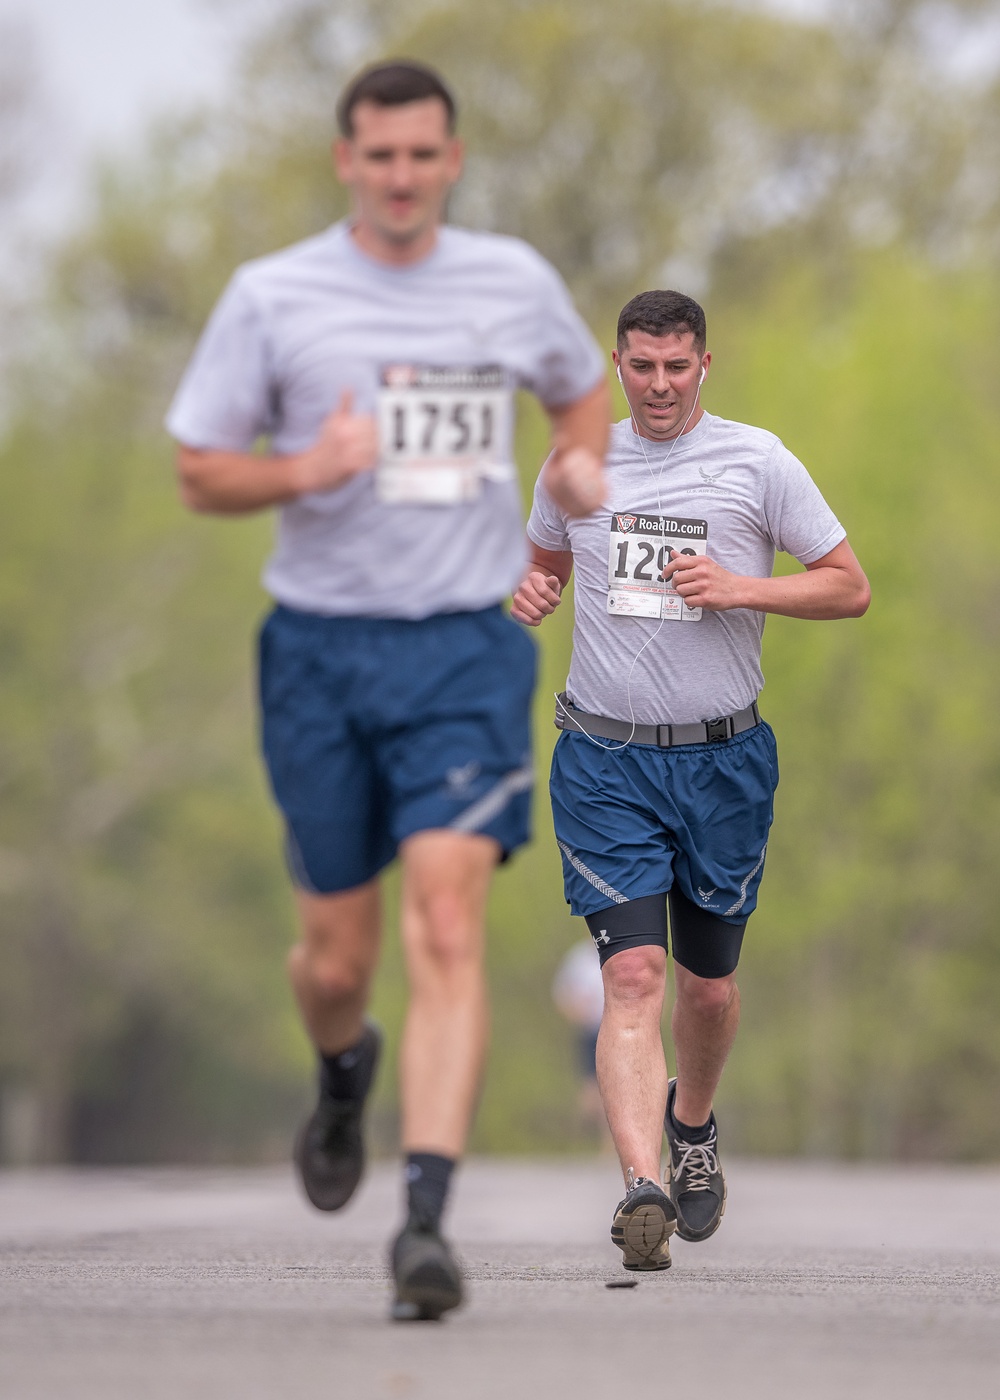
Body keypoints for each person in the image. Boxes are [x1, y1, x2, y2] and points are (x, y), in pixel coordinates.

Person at [165, 59, 609, 1320]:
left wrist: (575, 479)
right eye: (382, 156)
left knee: (448, 921)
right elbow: (201, 470)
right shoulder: (275, 296)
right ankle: (342, 1067)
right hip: (319, 649)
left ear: (452, 160)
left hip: (464, 648)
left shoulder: (512, 282)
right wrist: (311, 465)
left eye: (425, 154)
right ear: (346, 162)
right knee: (333, 957)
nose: (403, 176)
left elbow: (578, 398)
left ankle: (424, 1218)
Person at [512, 289, 869, 1271]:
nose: (659, 384)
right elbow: (538, 568)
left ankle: (693, 1128)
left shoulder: (758, 461)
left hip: (722, 761)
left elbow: (849, 583)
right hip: (603, 757)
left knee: (707, 990)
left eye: (676, 366)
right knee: (631, 973)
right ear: (616, 365)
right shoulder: (575, 464)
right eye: (641, 365)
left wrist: (741, 585)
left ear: (703, 364)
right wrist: (528, 591)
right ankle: (642, 1186)